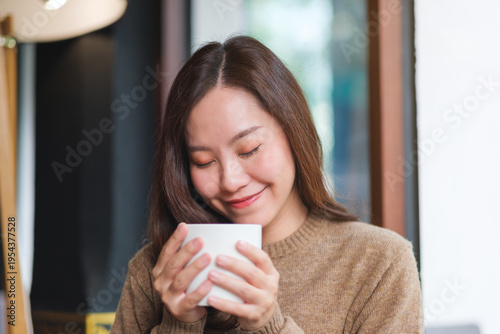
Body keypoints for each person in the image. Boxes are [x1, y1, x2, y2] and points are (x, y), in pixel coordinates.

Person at [111, 35, 423, 333]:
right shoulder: (156, 271)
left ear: (293, 132)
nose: (230, 181)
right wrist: (178, 324)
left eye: (249, 150)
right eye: (204, 161)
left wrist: (268, 325)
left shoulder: (379, 263)